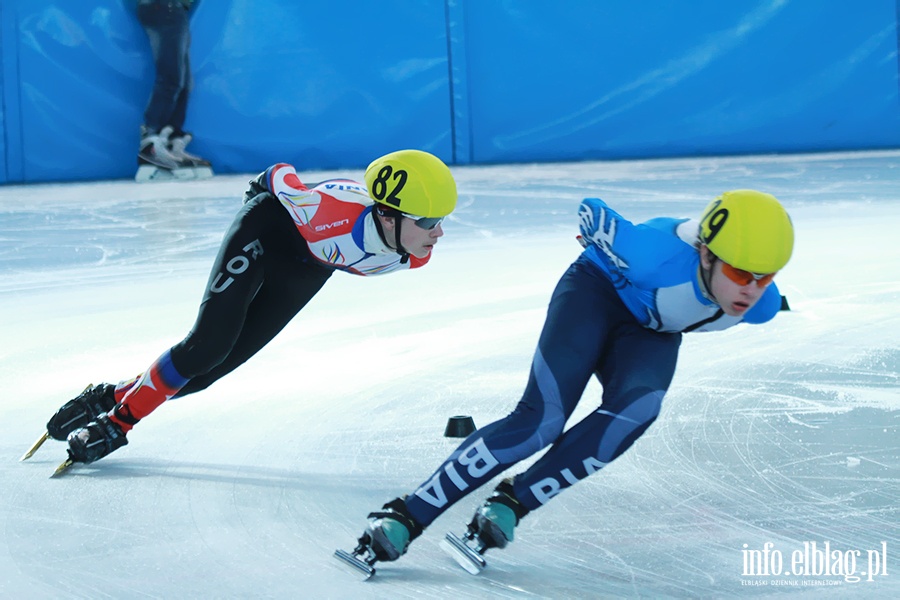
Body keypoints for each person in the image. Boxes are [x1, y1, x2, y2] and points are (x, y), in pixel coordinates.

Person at [352, 189, 794, 565]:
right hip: (596, 294)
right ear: (705, 251)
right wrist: (603, 242)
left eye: (764, 278)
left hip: (649, 332)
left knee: (638, 410)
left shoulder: (761, 305)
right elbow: (589, 207)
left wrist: (758, 286)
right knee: (541, 420)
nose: (749, 291)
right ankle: (409, 514)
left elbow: (756, 292)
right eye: (738, 273)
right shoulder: (649, 257)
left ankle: (513, 501)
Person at [39, 149, 456, 466]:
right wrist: (250, 216)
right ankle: (117, 423)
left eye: (441, 220)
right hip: (268, 229)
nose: (437, 232)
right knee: (206, 347)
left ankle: (107, 396)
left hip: (308, 267)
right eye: (426, 221)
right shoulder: (330, 214)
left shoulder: (413, 252)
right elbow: (275, 176)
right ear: (386, 216)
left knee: (202, 377)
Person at [134, 0, 213, 182]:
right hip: (164, 6)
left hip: (173, 9)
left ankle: (169, 142)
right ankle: (151, 144)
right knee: (171, 79)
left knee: (183, 83)